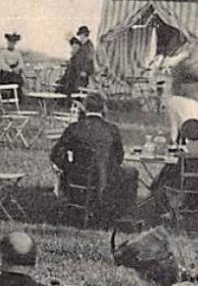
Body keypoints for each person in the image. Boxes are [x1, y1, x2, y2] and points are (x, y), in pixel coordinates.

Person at [49, 91, 139, 223]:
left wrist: (69, 168)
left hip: (78, 178)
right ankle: (124, 213)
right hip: (106, 178)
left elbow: (56, 154)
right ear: (104, 108)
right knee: (132, 172)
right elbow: (119, 157)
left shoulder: (74, 128)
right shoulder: (112, 129)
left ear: (85, 107)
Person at [59, 25, 96, 94]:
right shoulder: (82, 45)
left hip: (81, 75)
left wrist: (85, 71)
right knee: (65, 83)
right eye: (80, 35)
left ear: (85, 35)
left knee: (71, 86)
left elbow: (90, 60)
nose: (80, 37)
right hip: (76, 72)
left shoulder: (89, 46)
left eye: (81, 35)